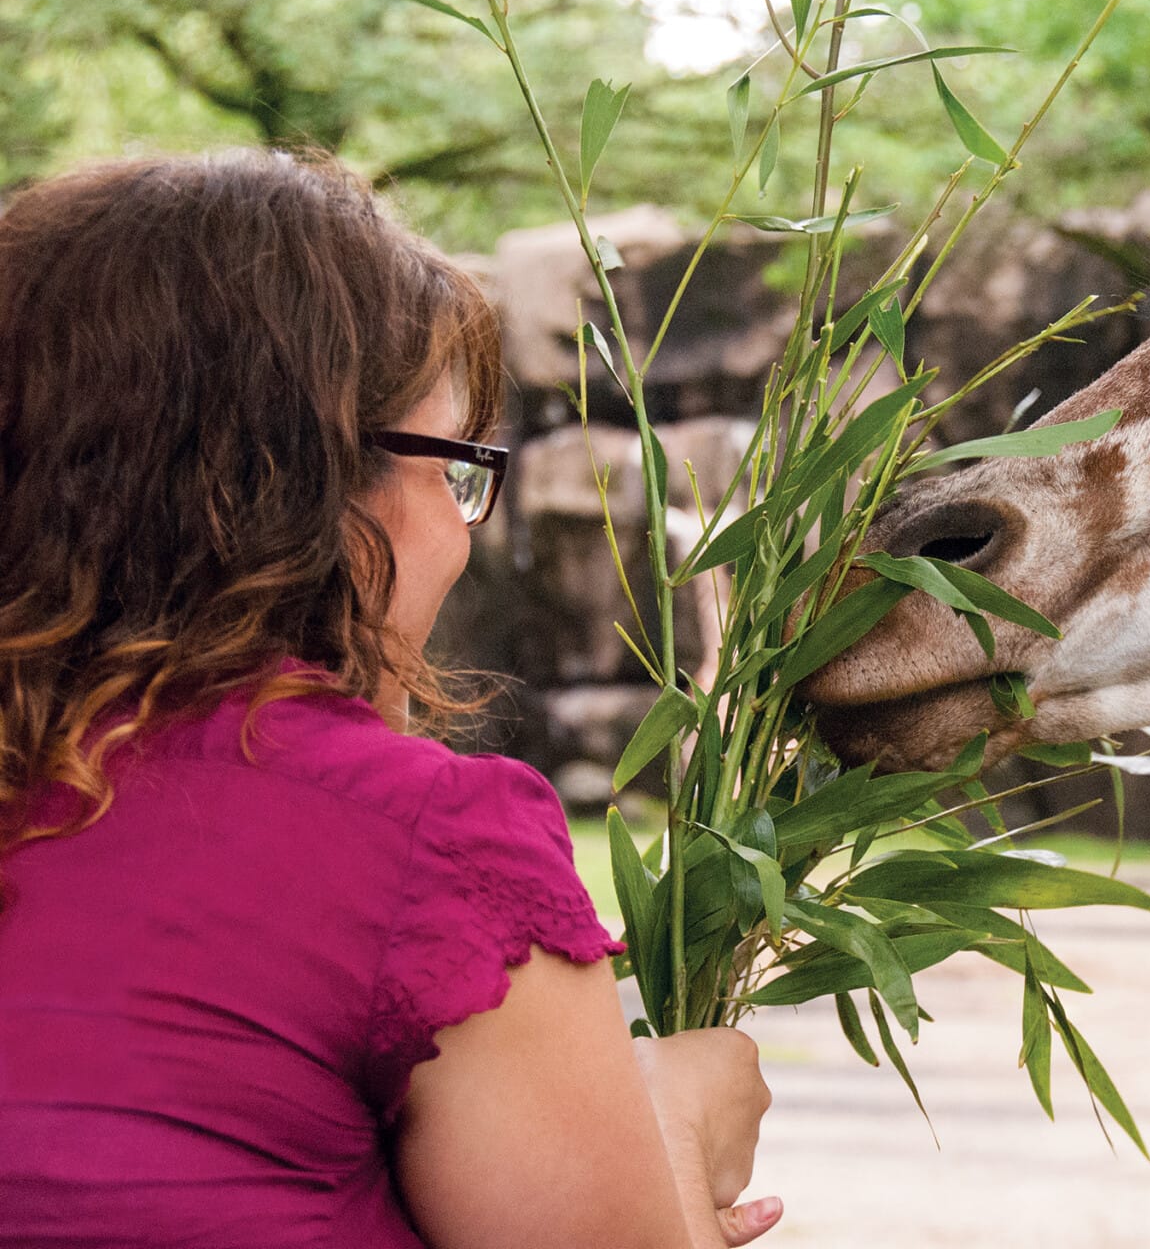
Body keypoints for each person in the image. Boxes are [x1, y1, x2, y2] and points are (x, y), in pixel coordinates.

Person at [0, 151, 780, 1249]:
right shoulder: (429, 840)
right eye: (458, 467)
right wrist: (675, 1122)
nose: (465, 527)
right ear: (299, 484)